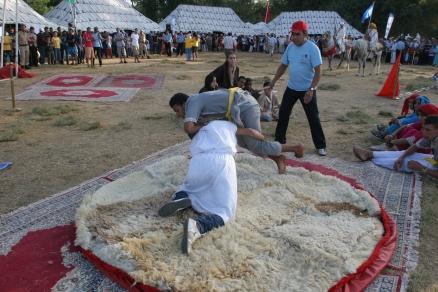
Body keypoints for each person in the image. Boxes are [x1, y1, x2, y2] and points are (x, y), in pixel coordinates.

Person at [158, 120, 265, 254]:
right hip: (222, 161)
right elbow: (250, 132)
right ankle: (198, 226)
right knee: (225, 210)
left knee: (189, 188)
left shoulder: (201, 129)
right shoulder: (228, 124)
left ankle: (180, 198)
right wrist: (262, 137)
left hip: (198, 161)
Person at [169, 90, 304, 174]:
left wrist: (249, 132)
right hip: (235, 112)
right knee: (243, 142)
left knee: (255, 144)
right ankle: (277, 158)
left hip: (244, 106)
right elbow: (217, 128)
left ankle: (295, 148)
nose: (178, 115)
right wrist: (246, 132)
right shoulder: (199, 110)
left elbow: (189, 128)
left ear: (183, 104)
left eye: (177, 110)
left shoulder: (192, 101)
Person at [270, 20, 327, 156]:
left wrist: (311, 90)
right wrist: (273, 80)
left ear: (305, 34)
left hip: (307, 90)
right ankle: (279, 141)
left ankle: (320, 145)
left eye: (297, 34)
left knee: (313, 117)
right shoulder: (290, 47)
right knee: (283, 113)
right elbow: (283, 65)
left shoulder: (313, 48)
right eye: (292, 34)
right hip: (292, 88)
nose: (294, 37)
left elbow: (318, 72)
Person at [353, 115, 438, 178]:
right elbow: (415, 147)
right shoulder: (431, 137)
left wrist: (422, 168)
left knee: (408, 163)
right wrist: (401, 157)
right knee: (405, 154)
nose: (423, 132)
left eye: (427, 130)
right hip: (434, 160)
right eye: (423, 129)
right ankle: (370, 154)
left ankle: (372, 161)